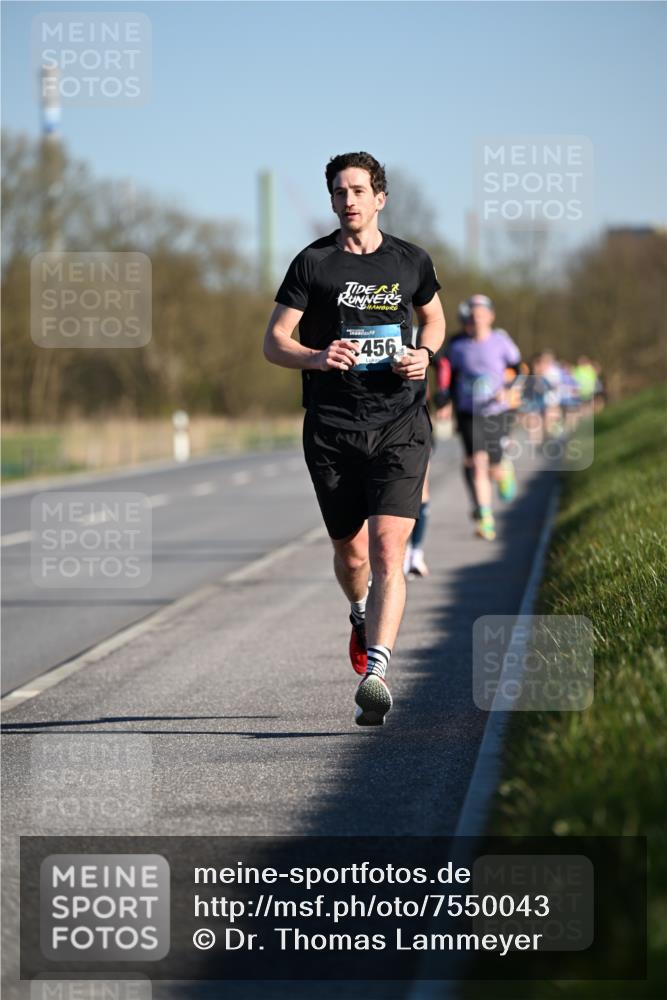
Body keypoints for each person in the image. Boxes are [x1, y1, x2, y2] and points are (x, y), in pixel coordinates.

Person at [263, 152, 445, 726]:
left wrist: (424, 355)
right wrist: (316, 357)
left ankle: (377, 672)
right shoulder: (312, 264)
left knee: (391, 549)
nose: (349, 201)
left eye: (359, 191)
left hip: (400, 423)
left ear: (380, 198)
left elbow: (434, 318)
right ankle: (359, 613)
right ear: (333, 200)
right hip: (333, 429)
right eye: (340, 192)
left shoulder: (411, 260)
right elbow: (273, 342)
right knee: (353, 553)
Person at [445, 294, 521, 541]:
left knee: (494, 467)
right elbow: (450, 377)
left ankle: (504, 470)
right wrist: (446, 401)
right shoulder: (458, 347)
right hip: (469, 412)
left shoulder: (501, 341)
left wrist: (507, 389)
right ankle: (486, 518)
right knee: (478, 464)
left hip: (496, 411)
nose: (476, 318)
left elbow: (519, 369)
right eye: (472, 315)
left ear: (491, 316)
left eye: (480, 314)